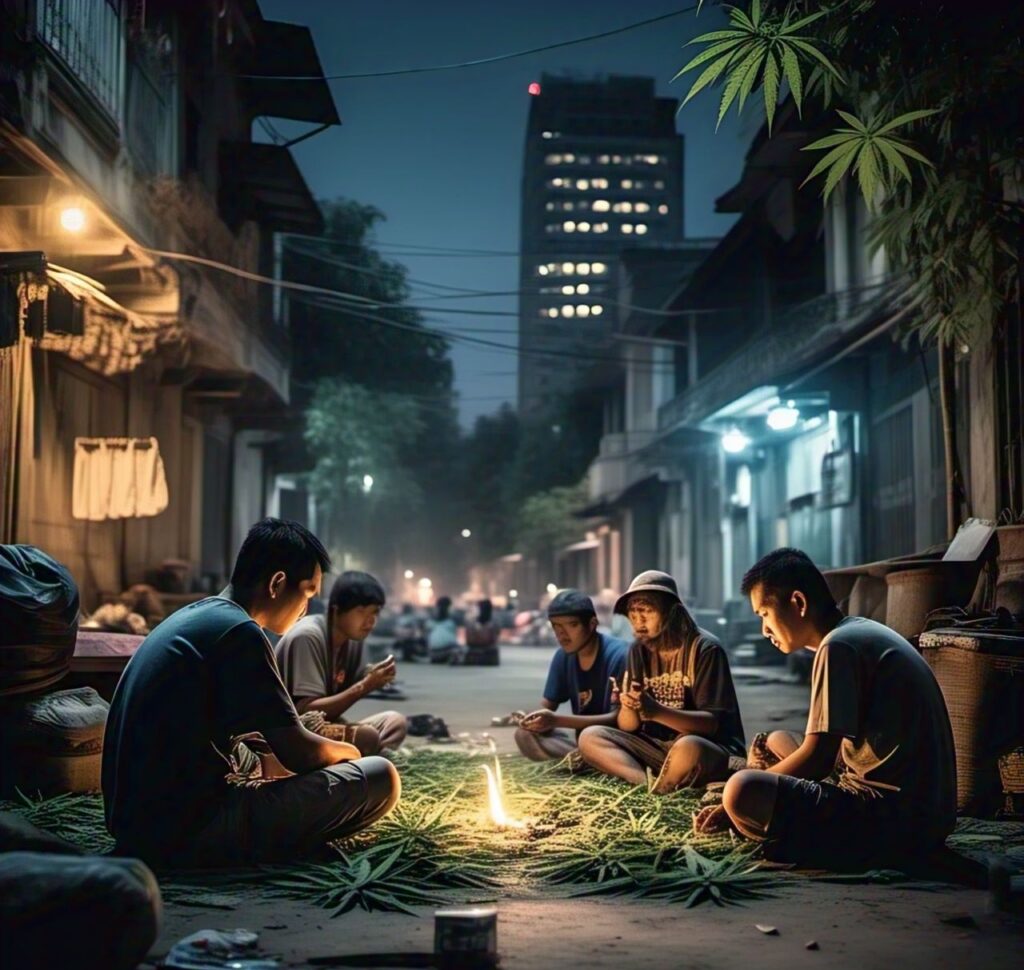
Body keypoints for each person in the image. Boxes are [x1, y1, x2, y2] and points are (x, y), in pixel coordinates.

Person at [101, 519, 400, 868]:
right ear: (277, 583)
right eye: (306, 593)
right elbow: (298, 753)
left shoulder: (199, 616)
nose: (306, 608)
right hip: (185, 831)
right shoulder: (240, 633)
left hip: (134, 825)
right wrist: (350, 752)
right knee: (381, 777)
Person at [705, 548, 956, 867]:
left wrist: (732, 804)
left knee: (740, 790)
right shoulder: (855, 632)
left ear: (798, 603)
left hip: (893, 820)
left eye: (764, 615)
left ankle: (809, 843)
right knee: (777, 739)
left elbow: (818, 760)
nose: (763, 630)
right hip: (926, 815)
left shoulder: (837, 647)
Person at [579, 570, 746, 793]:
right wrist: (629, 707)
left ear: (671, 612)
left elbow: (711, 724)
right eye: (633, 614)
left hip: (707, 748)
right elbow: (628, 726)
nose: (638, 622)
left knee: (688, 747)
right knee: (591, 737)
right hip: (656, 749)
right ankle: (646, 788)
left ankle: (665, 786)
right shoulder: (638, 650)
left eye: (647, 612)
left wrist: (656, 711)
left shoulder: (705, 649)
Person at [274, 571, 408, 754]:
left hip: (325, 726)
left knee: (395, 722)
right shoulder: (308, 636)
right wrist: (365, 686)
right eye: (361, 612)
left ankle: (369, 759)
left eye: (374, 612)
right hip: (290, 732)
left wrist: (375, 676)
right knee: (367, 737)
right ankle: (370, 761)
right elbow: (307, 713)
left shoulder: (353, 641)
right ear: (336, 610)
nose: (370, 621)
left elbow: (354, 680)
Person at [515, 589, 628, 763]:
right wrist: (529, 719)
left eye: (572, 625)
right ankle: (581, 766)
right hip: (584, 746)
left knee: (591, 738)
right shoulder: (563, 657)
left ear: (592, 624)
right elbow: (547, 707)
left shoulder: (620, 656)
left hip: (616, 745)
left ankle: (591, 766)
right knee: (524, 735)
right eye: (556, 626)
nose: (562, 634)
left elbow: (618, 719)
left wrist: (556, 720)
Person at [460, 598, 500, 665]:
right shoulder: (493, 622)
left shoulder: (472, 621)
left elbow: (469, 640)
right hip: (484, 649)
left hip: (478, 648)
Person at [427, 596, 460, 663]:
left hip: (432, 653)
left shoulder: (430, 621)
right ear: (449, 607)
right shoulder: (453, 620)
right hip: (449, 650)